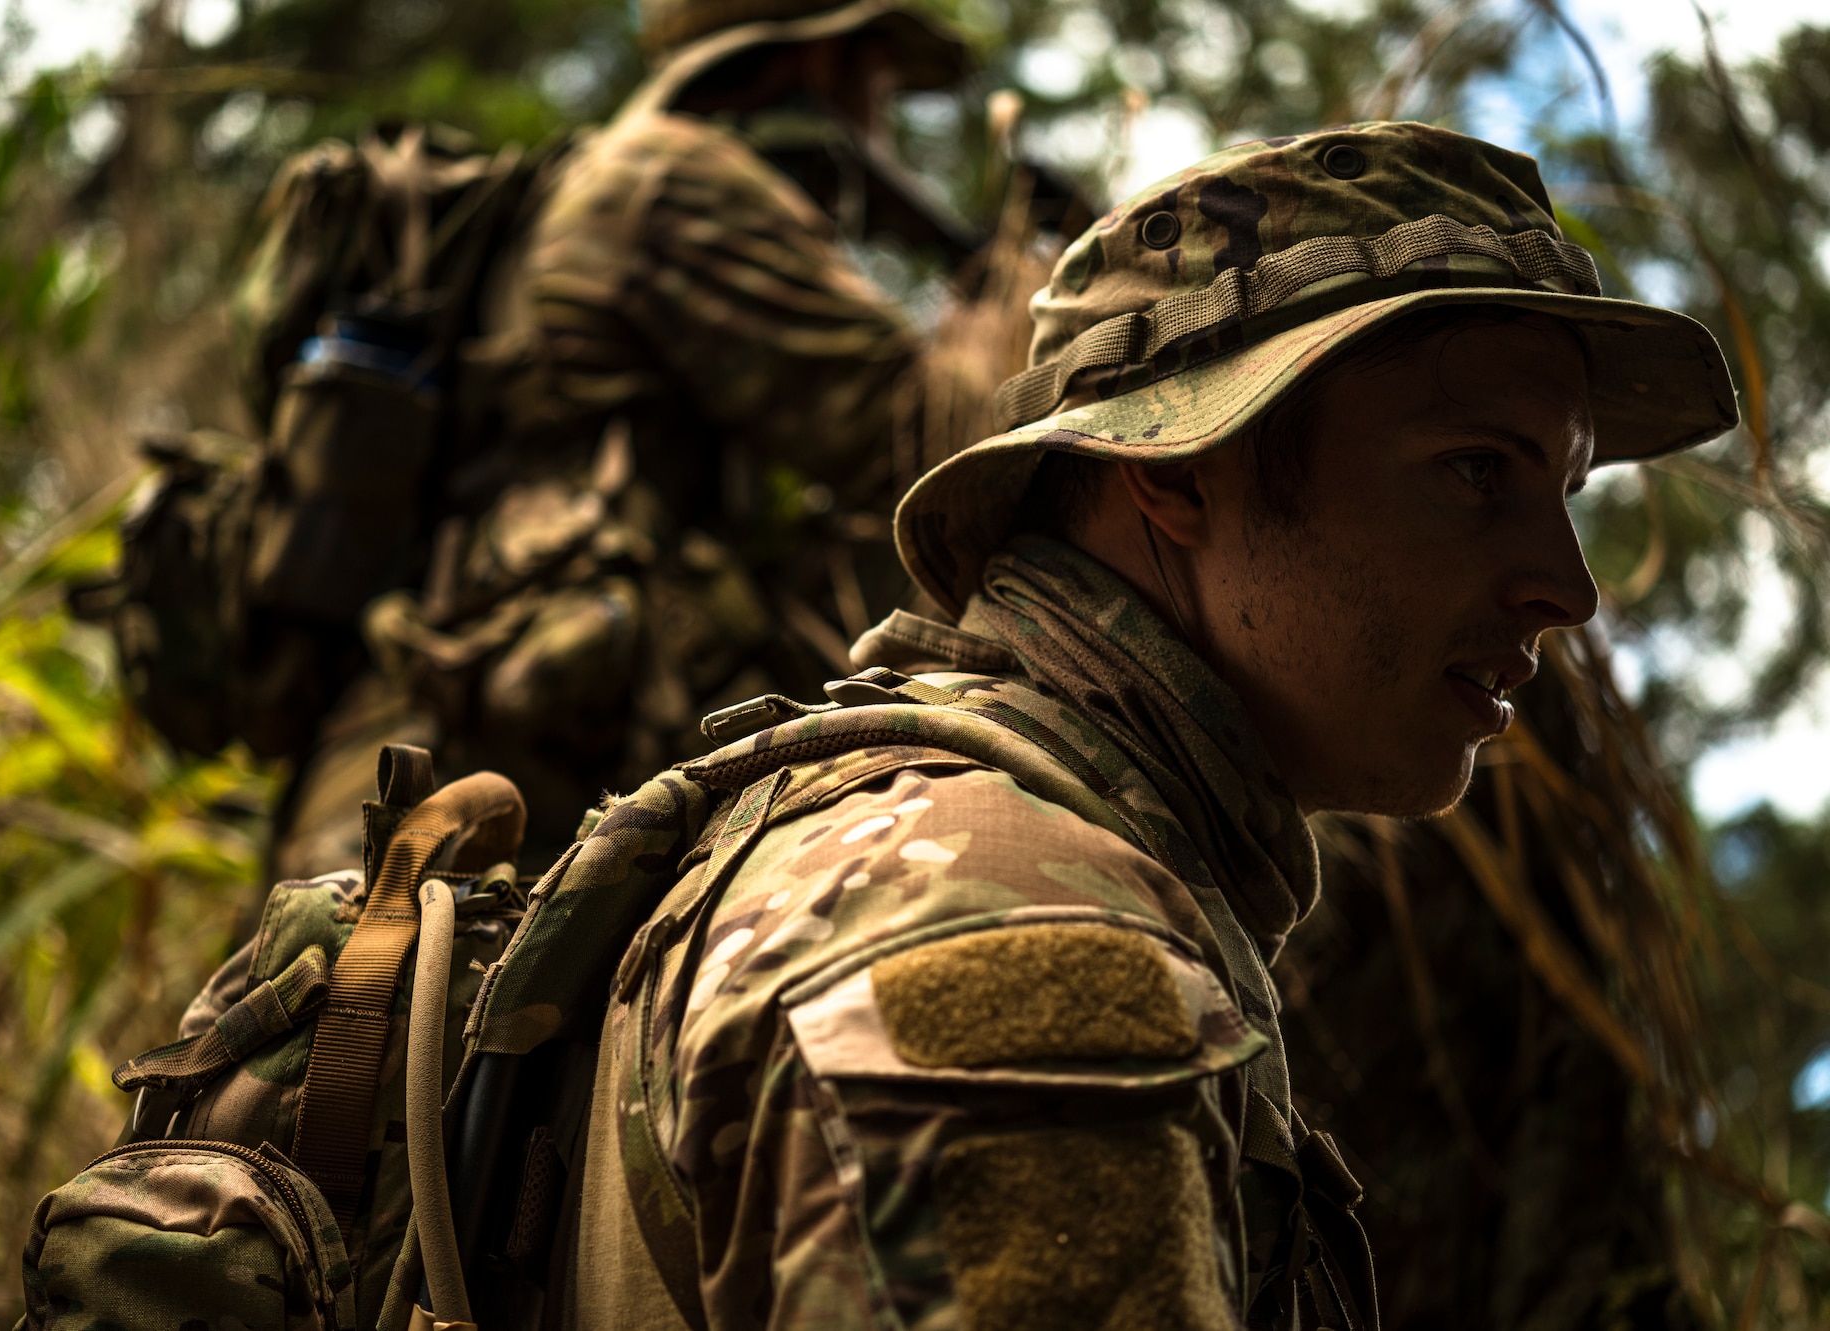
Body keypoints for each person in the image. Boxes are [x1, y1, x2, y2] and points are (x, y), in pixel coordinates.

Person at [574, 120, 1737, 1328]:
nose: (1567, 585)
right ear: (1177, 469)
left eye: (1563, 491)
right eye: (1472, 471)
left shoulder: (917, 831)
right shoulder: (1019, 949)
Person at [272, 0, 983, 875]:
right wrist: (1003, 323)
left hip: (422, 749)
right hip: (502, 769)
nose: (886, 114)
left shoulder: (583, 177)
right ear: (828, 57)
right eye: (884, 77)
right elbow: (938, 449)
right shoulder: (675, 180)